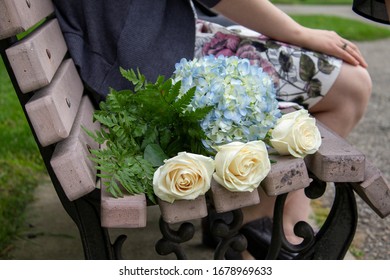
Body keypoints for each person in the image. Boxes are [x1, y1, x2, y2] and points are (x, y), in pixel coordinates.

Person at [52, 0, 372, 259]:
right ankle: (263, 225)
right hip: (150, 59)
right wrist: (299, 32)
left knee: (322, 84)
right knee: (351, 85)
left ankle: (269, 220)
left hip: (121, 48)